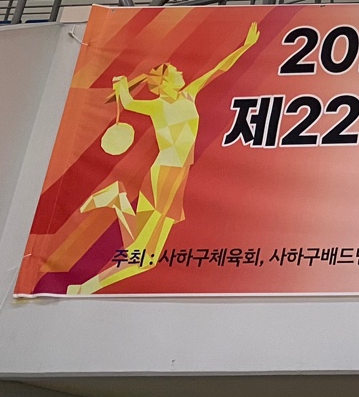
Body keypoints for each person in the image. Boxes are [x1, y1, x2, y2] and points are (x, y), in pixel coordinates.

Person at [75, 22, 259, 294]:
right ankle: (82, 288)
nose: (181, 72)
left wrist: (245, 46)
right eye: (175, 72)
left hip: (178, 175)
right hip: (165, 174)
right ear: (163, 82)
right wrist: (122, 85)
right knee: (141, 258)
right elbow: (127, 103)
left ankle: (117, 200)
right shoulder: (157, 106)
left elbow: (219, 69)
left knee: (142, 257)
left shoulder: (189, 94)